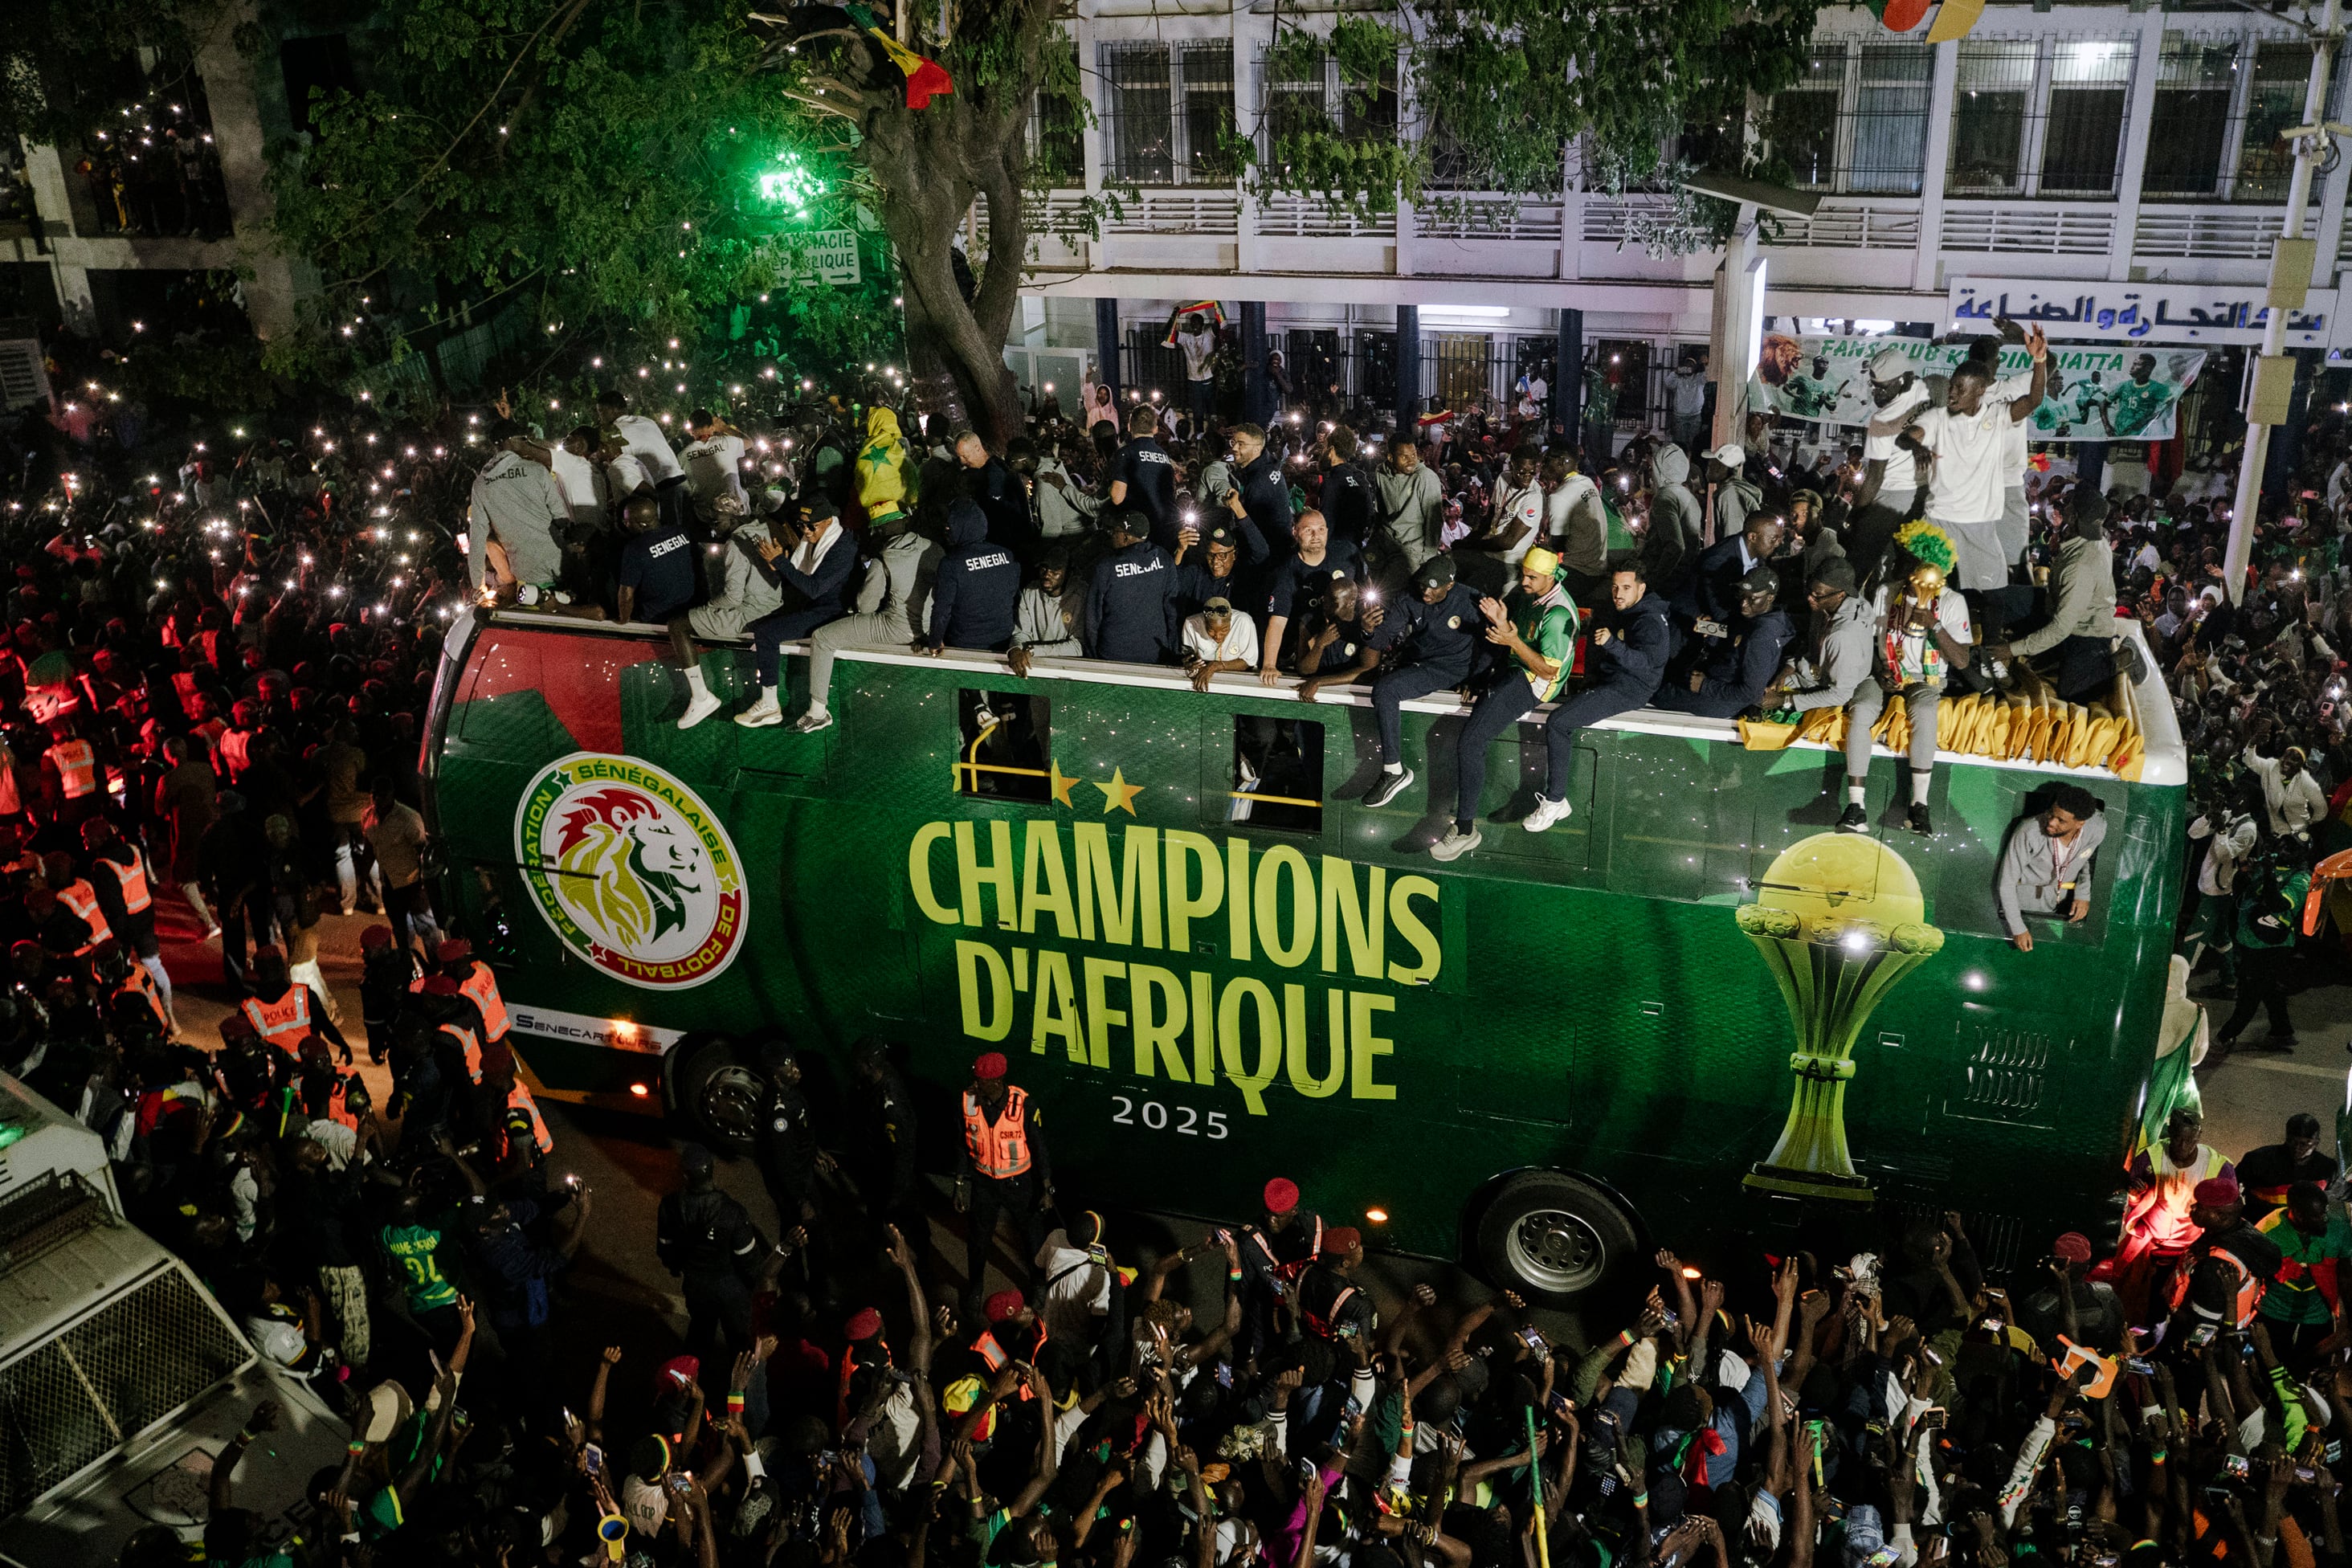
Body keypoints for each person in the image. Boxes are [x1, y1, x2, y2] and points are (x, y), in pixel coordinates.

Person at [1431, 547, 1579, 863]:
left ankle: (1466, 828)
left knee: (1471, 742)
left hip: (1533, 682)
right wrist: (1503, 623)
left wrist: (1511, 640)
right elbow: (1511, 634)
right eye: (1524, 573)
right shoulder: (1530, 594)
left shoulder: (1558, 615)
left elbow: (1547, 671)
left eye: (1531, 577)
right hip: (1514, 668)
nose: (1524, 581)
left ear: (1550, 577)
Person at [1842, 522, 1971, 835]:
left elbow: (1963, 661)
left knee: (1926, 713)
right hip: (1884, 673)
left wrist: (1935, 626)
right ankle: (1856, 807)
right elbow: (1868, 641)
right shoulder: (1887, 592)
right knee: (1860, 710)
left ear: (1928, 566)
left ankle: (1920, 805)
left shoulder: (1952, 602)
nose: (1898, 564)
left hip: (1925, 680)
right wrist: (1877, 669)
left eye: (1906, 559)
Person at [1525, 557, 1668, 832]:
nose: (1618, 594)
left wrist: (1613, 645)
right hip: (1609, 678)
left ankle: (1556, 800)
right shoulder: (1618, 608)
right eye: (1615, 587)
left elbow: (1646, 665)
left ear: (1641, 589)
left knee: (1558, 723)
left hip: (1630, 688)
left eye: (1626, 588)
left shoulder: (1649, 621)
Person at [790, 503, 940, 734]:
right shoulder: (935, 548)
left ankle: (818, 712)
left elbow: (865, 606)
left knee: (822, 638)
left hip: (896, 628)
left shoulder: (883, 560)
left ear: (877, 532)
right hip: (930, 629)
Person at [1365, 554, 1485, 808]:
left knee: (1385, 691)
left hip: (1453, 668)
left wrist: (1477, 678)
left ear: (1450, 585)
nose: (1426, 591)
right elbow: (1381, 639)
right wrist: (1368, 630)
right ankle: (1395, 771)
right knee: (1384, 689)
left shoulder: (1471, 600)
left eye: (1434, 586)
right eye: (1423, 584)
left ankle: (1395, 772)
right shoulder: (1410, 596)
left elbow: (1493, 644)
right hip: (1419, 661)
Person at [734, 496, 859, 729]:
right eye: (802, 525)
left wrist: (781, 563)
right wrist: (779, 566)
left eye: (811, 526)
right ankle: (771, 702)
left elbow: (813, 588)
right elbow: (800, 581)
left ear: (829, 522)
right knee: (757, 627)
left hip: (830, 612)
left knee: (767, 634)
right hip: (812, 606)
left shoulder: (843, 548)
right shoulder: (812, 541)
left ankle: (770, 704)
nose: (806, 531)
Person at [1987, 489, 2116, 703]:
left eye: (2068, 505)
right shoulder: (2094, 539)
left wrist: (2010, 650)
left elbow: (2061, 628)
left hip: (2086, 635)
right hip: (2053, 604)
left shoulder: (2081, 566)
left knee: (2071, 691)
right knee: (2001, 598)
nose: (2062, 507)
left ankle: (2111, 664)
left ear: (2074, 517)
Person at [655, 1142, 776, 1364]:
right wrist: (758, 1288)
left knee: (699, 1335)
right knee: (739, 1344)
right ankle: (738, 1388)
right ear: (712, 1171)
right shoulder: (732, 1212)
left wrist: (676, 1267)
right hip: (731, 1290)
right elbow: (749, 1260)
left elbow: (665, 1248)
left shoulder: (669, 1206)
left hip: (696, 1286)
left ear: (685, 1175)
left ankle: (687, 1383)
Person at [956, 1051, 1050, 1319]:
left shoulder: (1024, 1105)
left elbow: (1039, 1147)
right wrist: (961, 1181)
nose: (974, 1084)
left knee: (1032, 1239)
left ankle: (1039, 1284)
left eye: (980, 1080)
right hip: (984, 1182)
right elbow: (961, 1144)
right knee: (977, 1240)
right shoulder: (968, 1102)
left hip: (1019, 1183)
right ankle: (975, 1286)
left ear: (996, 1082)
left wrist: (1046, 1186)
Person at [1656, 565, 1791, 718]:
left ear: (1770, 598)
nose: (1744, 604)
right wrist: (1712, 631)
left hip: (1718, 699)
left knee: (1654, 691)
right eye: (1743, 596)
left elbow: (1751, 694)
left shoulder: (1761, 638)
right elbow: (1739, 641)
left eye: (1752, 599)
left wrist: (1704, 686)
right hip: (1714, 679)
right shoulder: (1766, 617)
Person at [2216, 837, 2312, 1051]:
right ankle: (2282, 1032)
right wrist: (2245, 873)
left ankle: (2225, 1036)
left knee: (2250, 993)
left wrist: (2268, 873)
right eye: (2283, 845)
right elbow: (2241, 896)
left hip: (2272, 946)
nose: (2284, 850)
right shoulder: (2266, 866)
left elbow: (2277, 904)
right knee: (2270, 989)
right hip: (2250, 939)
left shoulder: (2301, 878)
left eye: (2292, 848)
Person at [1996, 782, 2108, 952]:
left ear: (2080, 823)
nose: (2051, 823)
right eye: (2051, 814)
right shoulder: (2029, 831)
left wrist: (2083, 893)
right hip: (2023, 900)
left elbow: (2085, 857)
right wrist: (2018, 928)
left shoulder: (2097, 827)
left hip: (2057, 899)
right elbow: (2006, 882)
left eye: (2061, 821)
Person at [2254, 1180, 2352, 1367]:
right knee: (2273, 1367)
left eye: (2325, 1211)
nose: (2324, 1218)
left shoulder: (2338, 1229)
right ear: (2298, 1214)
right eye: (2316, 1216)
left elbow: (2346, 1275)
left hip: (2319, 1313)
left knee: (2311, 1369)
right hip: (2275, 1311)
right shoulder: (2267, 1230)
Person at [469, 420, 571, 600]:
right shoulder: (537, 471)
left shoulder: (481, 484)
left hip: (527, 577)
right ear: (508, 441)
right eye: (523, 438)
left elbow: (477, 538)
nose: (527, 443)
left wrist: (477, 585)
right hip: (561, 566)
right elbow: (562, 517)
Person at [925, 496, 1020, 655]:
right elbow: (1014, 596)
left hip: (965, 644)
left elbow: (942, 610)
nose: (946, 530)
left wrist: (935, 641)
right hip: (1003, 641)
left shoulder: (951, 564)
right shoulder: (1006, 555)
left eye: (950, 526)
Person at [1084, 509, 1177, 664]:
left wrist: (1092, 657)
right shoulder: (1164, 559)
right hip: (1155, 654)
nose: (1111, 534)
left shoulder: (1106, 567)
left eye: (1115, 531)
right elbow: (1173, 610)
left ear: (1125, 537)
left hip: (1112, 656)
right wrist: (1173, 650)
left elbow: (1092, 618)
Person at [613, 493, 696, 628]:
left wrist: (624, 621)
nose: (625, 524)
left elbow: (626, 594)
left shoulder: (636, 548)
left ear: (641, 524)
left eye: (627, 521)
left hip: (656, 616)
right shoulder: (680, 531)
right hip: (687, 610)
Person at [2238, 1113, 2340, 1218]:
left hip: (2302, 1230)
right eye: (2292, 1141)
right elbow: (2232, 1184)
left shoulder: (2326, 1169)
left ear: (2316, 1142)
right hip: (2260, 1225)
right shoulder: (2258, 1160)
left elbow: (2341, 1190)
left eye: (2304, 1144)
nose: (2297, 1147)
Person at [2240, 720, 2326, 838]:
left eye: (2295, 759)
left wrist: (2307, 826)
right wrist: (2252, 743)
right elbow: (2249, 760)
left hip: (2295, 833)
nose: (2288, 761)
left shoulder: (2306, 781)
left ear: (2301, 765)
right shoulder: (2272, 766)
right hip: (2270, 827)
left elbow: (2321, 809)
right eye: (2287, 756)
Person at [1373, 438, 1445, 578]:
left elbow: (1434, 521)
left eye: (1413, 455)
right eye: (1404, 457)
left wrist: (1426, 559)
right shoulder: (1380, 472)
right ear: (1390, 457)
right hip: (1384, 543)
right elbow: (1379, 511)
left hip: (1411, 549)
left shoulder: (1426, 478)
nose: (1411, 460)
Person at [1109, 405, 1179, 548]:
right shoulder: (1164, 456)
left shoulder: (1125, 454)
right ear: (1155, 429)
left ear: (1129, 426)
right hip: (1165, 530)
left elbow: (1117, 497)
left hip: (1137, 533)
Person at [1007, 547, 1084, 675]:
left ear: (1068, 573)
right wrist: (1016, 649)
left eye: (1055, 570)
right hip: (1035, 666)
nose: (1047, 574)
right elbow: (1022, 632)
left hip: (1067, 670)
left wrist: (1034, 651)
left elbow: (1078, 646)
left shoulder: (1081, 595)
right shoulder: (1030, 591)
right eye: (1044, 568)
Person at [1641, 442, 1703, 594]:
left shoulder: (1665, 497)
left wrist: (1653, 582)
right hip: (1684, 575)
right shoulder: (1688, 495)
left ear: (1660, 468)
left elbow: (1675, 546)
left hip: (1668, 580)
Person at [1182, 596, 1259, 692]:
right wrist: (1191, 665)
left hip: (1238, 681)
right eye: (1211, 631)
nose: (1218, 636)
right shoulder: (1191, 624)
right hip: (1207, 681)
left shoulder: (1244, 622)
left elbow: (1248, 662)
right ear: (1204, 622)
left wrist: (1215, 666)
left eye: (1224, 630)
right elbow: (1191, 660)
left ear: (1231, 621)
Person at [1175, 312, 1218, 423]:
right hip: (1193, 380)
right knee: (1197, 411)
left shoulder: (1208, 334)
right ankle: (1199, 435)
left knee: (1212, 412)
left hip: (1208, 377)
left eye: (1197, 323)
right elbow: (1168, 333)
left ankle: (1212, 434)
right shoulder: (1185, 338)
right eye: (1192, 323)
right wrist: (1175, 315)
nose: (1194, 325)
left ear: (1202, 324)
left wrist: (1217, 306)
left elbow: (1219, 322)